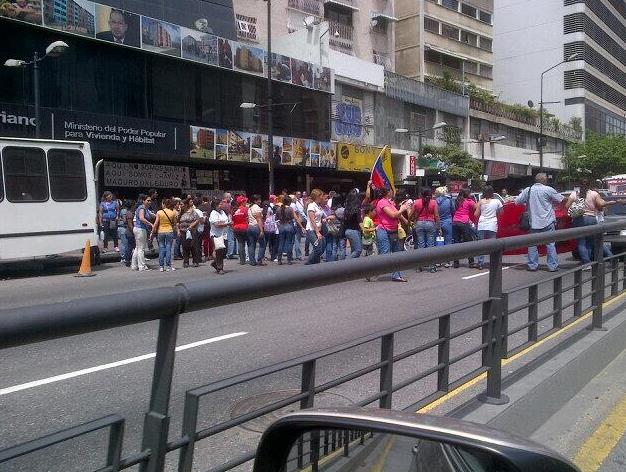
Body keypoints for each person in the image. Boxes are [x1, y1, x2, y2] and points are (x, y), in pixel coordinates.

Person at [515, 173, 564, 272]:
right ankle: (552, 266)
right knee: (550, 244)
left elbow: (517, 202)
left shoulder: (528, 190)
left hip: (534, 222)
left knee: (532, 244)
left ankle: (532, 265)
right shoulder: (548, 189)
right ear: (544, 180)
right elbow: (560, 199)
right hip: (548, 221)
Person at [566, 179, 615, 269]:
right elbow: (601, 204)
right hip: (591, 219)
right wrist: (609, 203)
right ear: (589, 185)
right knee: (589, 242)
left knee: (581, 242)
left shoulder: (574, 194)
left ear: (579, 185)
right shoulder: (593, 194)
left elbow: (567, 206)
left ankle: (587, 263)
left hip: (578, 220)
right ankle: (611, 258)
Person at [376, 188, 412, 282]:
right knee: (385, 254)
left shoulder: (390, 203)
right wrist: (402, 209)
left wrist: (407, 221)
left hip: (394, 230)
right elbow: (392, 215)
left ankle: (396, 275)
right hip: (383, 230)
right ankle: (370, 270)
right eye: (392, 191)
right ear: (388, 192)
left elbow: (398, 214)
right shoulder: (382, 202)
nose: (394, 193)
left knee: (397, 253)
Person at [411, 188, 441, 273]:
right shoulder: (433, 202)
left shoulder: (416, 202)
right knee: (431, 246)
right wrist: (439, 227)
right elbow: (436, 216)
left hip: (419, 223)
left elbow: (411, 214)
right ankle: (432, 266)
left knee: (421, 245)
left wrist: (410, 221)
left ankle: (419, 266)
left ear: (421, 194)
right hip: (430, 223)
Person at [474, 185, 503, 270]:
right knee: (493, 245)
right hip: (492, 224)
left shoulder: (480, 201)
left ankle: (480, 263)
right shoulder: (497, 201)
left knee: (481, 245)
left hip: (482, 224)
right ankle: (493, 262)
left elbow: (476, 214)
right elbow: (501, 212)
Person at [150, 198, 178, 272]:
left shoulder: (159, 212)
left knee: (161, 248)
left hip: (160, 231)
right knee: (168, 248)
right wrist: (177, 231)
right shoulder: (172, 213)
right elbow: (175, 224)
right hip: (169, 231)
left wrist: (152, 232)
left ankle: (161, 266)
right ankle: (168, 266)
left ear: (164, 204)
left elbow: (156, 223)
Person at [452, 188, 477, 269]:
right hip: (464, 222)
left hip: (455, 222)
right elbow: (476, 208)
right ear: (467, 194)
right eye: (470, 193)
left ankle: (456, 263)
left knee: (456, 242)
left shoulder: (457, 200)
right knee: (468, 243)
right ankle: (471, 262)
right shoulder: (469, 201)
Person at [131, 194, 154, 271]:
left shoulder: (146, 209)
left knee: (137, 248)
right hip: (140, 229)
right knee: (141, 249)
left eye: (150, 201)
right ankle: (142, 267)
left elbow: (153, 215)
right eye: (148, 200)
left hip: (139, 229)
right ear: (143, 201)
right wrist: (151, 224)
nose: (149, 202)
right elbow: (141, 218)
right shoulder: (142, 208)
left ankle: (134, 265)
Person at [209, 198, 231, 274]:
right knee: (219, 251)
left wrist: (225, 223)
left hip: (224, 234)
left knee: (225, 251)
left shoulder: (222, 212)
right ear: (216, 206)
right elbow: (216, 224)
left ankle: (215, 263)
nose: (222, 205)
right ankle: (220, 268)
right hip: (216, 235)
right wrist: (226, 224)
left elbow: (225, 221)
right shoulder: (213, 213)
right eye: (220, 204)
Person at [178, 198, 201, 268]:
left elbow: (198, 219)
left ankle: (195, 261)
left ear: (186, 205)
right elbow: (177, 223)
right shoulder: (180, 213)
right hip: (183, 231)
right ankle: (186, 262)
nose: (180, 206)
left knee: (193, 246)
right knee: (185, 246)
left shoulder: (192, 212)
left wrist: (192, 225)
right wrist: (178, 231)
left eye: (182, 204)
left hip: (192, 231)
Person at [304, 189, 326, 265]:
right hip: (312, 230)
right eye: (321, 196)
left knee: (322, 247)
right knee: (317, 248)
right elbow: (312, 220)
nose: (322, 197)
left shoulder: (318, 206)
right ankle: (308, 263)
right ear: (317, 196)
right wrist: (317, 232)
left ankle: (316, 264)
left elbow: (320, 217)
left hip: (319, 229)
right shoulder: (311, 206)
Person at [276, 196, 298, 265]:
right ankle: (289, 260)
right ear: (289, 202)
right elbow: (295, 218)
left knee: (281, 243)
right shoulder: (290, 209)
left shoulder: (278, 209)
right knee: (289, 243)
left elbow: (276, 217)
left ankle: (279, 260)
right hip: (288, 225)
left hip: (281, 226)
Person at [342, 189, 363, 258]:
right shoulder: (356, 209)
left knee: (354, 250)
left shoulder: (347, 208)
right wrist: (365, 229)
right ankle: (347, 265)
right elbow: (360, 221)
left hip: (348, 231)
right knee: (358, 250)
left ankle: (353, 267)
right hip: (354, 231)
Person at [247, 195, 265, 266]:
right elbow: (259, 219)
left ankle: (252, 261)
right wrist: (261, 231)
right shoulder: (257, 208)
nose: (260, 201)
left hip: (250, 227)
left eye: (260, 199)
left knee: (251, 245)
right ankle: (259, 260)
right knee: (262, 244)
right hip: (256, 227)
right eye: (258, 200)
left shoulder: (250, 208)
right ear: (255, 201)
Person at [232, 195, 249, 265]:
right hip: (244, 228)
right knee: (248, 243)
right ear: (242, 202)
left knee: (240, 243)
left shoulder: (235, 211)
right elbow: (248, 219)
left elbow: (233, 221)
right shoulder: (246, 209)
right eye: (245, 201)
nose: (246, 202)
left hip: (236, 228)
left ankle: (242, 260)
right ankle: (249, 258)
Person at [291, 191, 307, 260]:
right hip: (296, 223)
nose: (298, 196)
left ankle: (289, 255)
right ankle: (298, 255)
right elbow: (299, 214)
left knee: (292, 240)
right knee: (297, 239)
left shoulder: (299, 201)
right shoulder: (294, 205)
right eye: (297, 195)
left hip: (293, 223)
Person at [223, 193, 238, 259]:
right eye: (230, 197)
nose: (231, 198)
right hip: (228, 223)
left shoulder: (222, 204)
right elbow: (230, 213)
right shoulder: (227, 205)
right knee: (230, 239)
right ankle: (230, 253)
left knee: (227, 238)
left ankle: (228, 252)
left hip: (223, 223)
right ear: (227, 197)